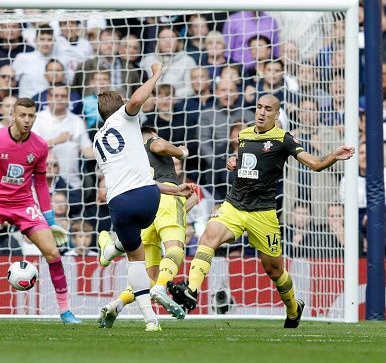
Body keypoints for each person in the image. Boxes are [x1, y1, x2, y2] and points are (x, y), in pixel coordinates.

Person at [167, 94, 355, 329]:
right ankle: (191, 290)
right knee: (208, 236)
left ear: (277, 115)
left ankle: (294, 309)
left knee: (274, 270)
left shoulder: (283, 139)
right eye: (259, 107)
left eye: (268, 109)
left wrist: (333, 157)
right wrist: (234, 162)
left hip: (263, 213)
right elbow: (246, 160)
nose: (262, 112)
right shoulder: (244, 134)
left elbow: (315, 164)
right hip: (235, 205)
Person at [0, 97, 81, 324]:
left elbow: (40, 183)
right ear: (13, 115)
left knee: (53, 253)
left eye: (31, 116)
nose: (27, 120)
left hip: (23, 204)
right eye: (22, 115)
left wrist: (49, 219)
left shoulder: (39, 146)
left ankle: (65, 310)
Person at [92, 62, 193, 331]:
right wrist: (157, 74)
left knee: (136, 259)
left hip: (119, 202)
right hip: (149, 196)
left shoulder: (97, 140)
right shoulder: (125, 119)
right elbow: (138, 99)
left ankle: (149, 318)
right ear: (121, 106)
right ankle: (112, 251)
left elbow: (126, 176)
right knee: (145, 253)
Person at [98, 125, 191, 328]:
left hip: (147, 204)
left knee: (147, 275)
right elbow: (158, 145)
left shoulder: (131, 158)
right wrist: (181, 152)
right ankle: (159, 289)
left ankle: (117, 304)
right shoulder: (151, 142)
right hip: (167, 200)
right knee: (175, 249)